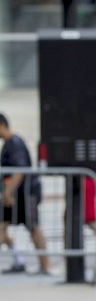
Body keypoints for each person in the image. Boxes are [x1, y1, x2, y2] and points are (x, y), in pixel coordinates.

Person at [0, 113, 49, 275]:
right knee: (1, 228)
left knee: (33, 228)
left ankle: (45, 265)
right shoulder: (9, 144)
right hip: (16, 195)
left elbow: (19, 169)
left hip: (25, 194)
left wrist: (8, 191)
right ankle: (18, 259)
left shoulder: (14, 143)